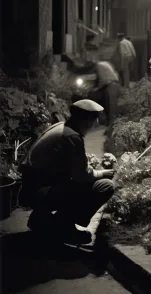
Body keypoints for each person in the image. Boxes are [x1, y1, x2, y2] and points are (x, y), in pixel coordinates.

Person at [18, 100, 116, 244]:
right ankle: (65, 228)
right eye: (95, 120)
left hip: (30, 188)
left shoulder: (61, 127)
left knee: (74, 183)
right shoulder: (72, 137)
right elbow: (81, 176)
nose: (95, 124)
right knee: (105, 186)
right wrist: (102, 173)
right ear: (86, 120)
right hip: (39, 191)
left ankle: (41, 219)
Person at [87, 60, 121, 126]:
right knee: (108, 104)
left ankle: (110, 124)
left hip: (111, 85)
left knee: (110, 106)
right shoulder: (105, 63)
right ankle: (107, 121)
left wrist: (95, 89)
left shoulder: (98, 66)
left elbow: (103, 80)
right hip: (116, 83)